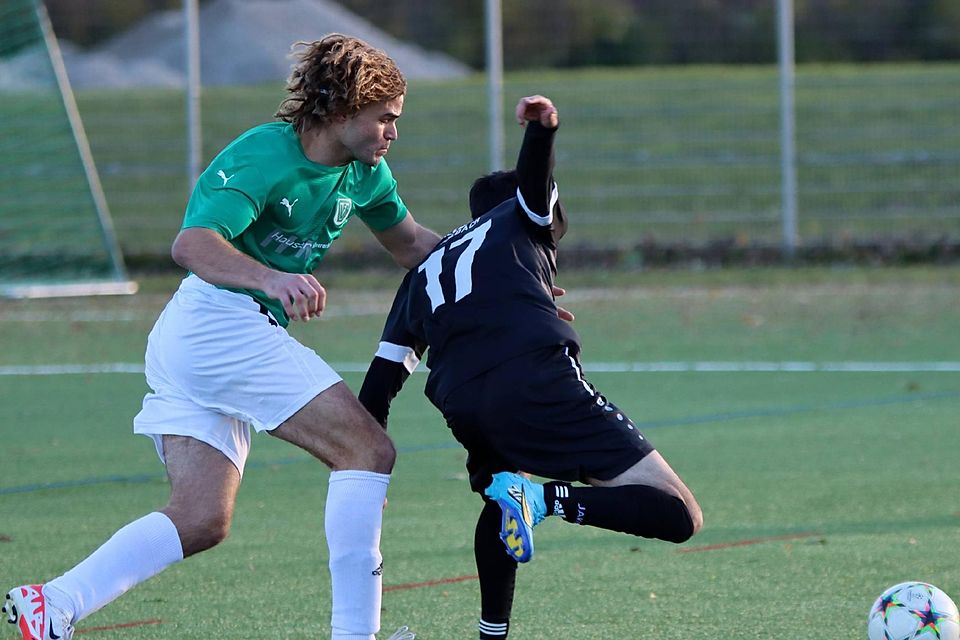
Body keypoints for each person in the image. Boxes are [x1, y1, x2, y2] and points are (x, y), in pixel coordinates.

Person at [3, 34, 436, 640]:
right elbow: (193, 243)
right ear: (342, 109)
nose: (392, 132)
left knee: (202, 517)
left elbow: (412, 245)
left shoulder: (367, 174)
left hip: (201, 338)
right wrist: (271, 278)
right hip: (218, 323)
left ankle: (53, 603)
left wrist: (503, 277)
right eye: (384, 118)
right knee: (368, 451)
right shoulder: (262, 155)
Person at [357, 95, 704, 639]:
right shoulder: (521, 216)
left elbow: (380, 385)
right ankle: (547, 499)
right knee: (679, 514)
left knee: (500, 488)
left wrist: (360, 466)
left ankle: (491, 632)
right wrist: (543, 130)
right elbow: (535, 186)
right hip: (536, 378)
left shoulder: (428, 270)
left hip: (462, 403)